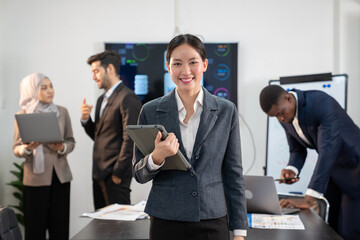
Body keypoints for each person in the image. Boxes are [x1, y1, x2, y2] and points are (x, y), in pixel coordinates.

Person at [133, 34, 248, 240]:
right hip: (165, 220)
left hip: (212, 218)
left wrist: (239, 231)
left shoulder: (226, 111)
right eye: (177, 63)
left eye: (193, 62)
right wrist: (156, 157)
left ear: (204, 65)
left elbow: (233, 174)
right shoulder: (150, 111)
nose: (186, 71)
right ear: (169, 67)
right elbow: (139, 174)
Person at [259, 85, 360, 240]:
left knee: (349, 231)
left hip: (354, 168)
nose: (280, 119)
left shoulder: (321, 103)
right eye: (275, 117)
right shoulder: (284, 115)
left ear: (288, 98)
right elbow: (297, 149)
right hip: (332, 170)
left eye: (281, 113)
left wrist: (308, 199)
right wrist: (292, 169)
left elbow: (327, 150)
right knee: (328, 227)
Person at [13, 73, 75, 240]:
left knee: (60, 227)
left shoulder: (62, 112)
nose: (50, 91)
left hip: (60, 177)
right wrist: (27, 148)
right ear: (32, 90)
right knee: (35, 228)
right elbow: (16, 148)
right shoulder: (24, 114)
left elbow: (71, 141)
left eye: (51, 86)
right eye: (44, 87)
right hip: (35, 179)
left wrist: (62, 147)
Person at [81, 50, 142, 210]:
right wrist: (86, 120)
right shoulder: (101, 99)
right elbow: (99, 135)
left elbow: (131, 140)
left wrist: (118, 172)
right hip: (99, 174)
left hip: (115, 176)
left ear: (110, 68)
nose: (93, 77)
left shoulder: (128, 97)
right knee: (101, 227)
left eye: (96, 71)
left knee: (118, 229)